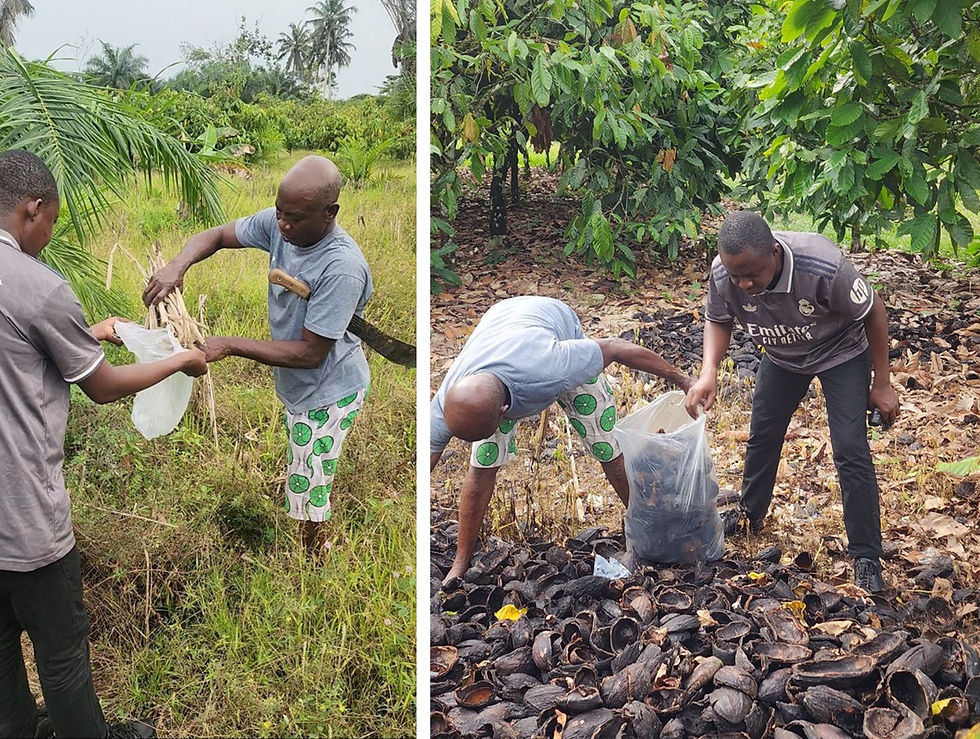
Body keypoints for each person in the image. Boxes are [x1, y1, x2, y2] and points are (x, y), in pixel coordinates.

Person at [0, 149, 207, 739]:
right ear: (32, 209)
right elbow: (104, 387)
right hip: (26, 526)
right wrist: (182, 360)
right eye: (49, 225)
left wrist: (96, 333)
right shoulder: (38, 286)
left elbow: (19, 351)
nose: (46, 237)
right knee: (63, 663)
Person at [144, 155, 372, 556]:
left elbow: (309, 354)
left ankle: (315, 563)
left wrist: (229, 344)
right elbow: (215, 236)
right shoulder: (282, 225)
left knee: (311, 483)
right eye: (280, 213)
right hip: (302, 387)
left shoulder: (341, 268)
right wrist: (177, 265)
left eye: (295, 218)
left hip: (327, 390)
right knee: (304, 466)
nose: (282, 225)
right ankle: (310, 535)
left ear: (329, 213)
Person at [684, 210, 900, 593]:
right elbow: (718, 319)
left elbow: (873, 311)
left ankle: (866, 554)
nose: (744, 283)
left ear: (774, 253)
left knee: (850, 447)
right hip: (783, 356)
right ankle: (752, 514)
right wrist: (708, 371)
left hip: (842, 353)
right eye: (737, 276)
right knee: (763, 434)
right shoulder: (724, 273)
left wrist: (882, 382)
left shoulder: (821, 264)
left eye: (753, 273)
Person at [430, 295, 693, 582]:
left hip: (553, 324)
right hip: (501, 321)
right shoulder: (451, 398)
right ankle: (460, 561)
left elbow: (616, 348)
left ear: (505, 411)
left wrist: (683, 380)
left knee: (607, 448)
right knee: (482, 466)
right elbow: (428, 456)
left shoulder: (555, 366)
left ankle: (650, 534)